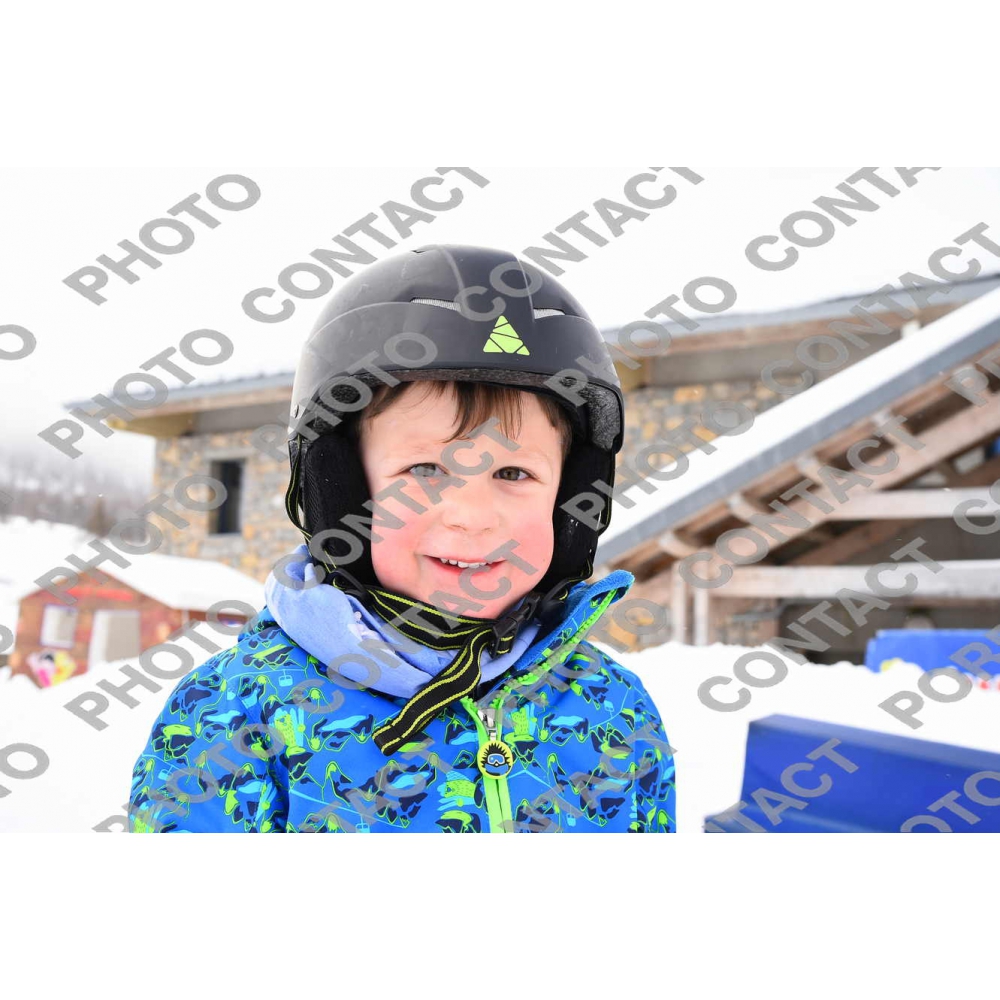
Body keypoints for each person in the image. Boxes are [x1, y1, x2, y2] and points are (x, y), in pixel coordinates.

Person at [128, 243, 676, 833]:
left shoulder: (617, 708)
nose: (472, 517)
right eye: (425, 470)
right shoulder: (234, 712)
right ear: (340, 492)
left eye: (514, 474)